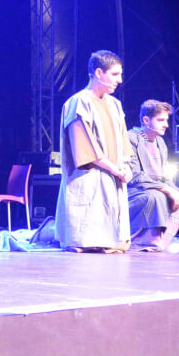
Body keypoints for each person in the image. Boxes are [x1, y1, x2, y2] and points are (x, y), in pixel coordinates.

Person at [55, 50, 132, 252]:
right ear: (99, 73)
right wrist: (114, 169)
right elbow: (83, 147)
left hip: (114, 175)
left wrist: (126, 167)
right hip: (89, 175)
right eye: (115, 74)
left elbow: (123, 141)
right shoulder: (79, 102)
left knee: (114, 240)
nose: (120, 80)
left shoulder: (115, 105)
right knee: (85, 237)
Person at [126, 99, 179, 251]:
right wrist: (165, 189)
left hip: (155, 188)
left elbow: (165, 177)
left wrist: (174, 190)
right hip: (134, 189)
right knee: (156, 197)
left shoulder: (160, 142)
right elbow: (134, 175)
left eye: (166, 120)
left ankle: (159, 242)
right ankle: (143, 241)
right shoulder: (130, 138)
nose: (166, 124)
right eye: (160, 120)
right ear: (146, 120)